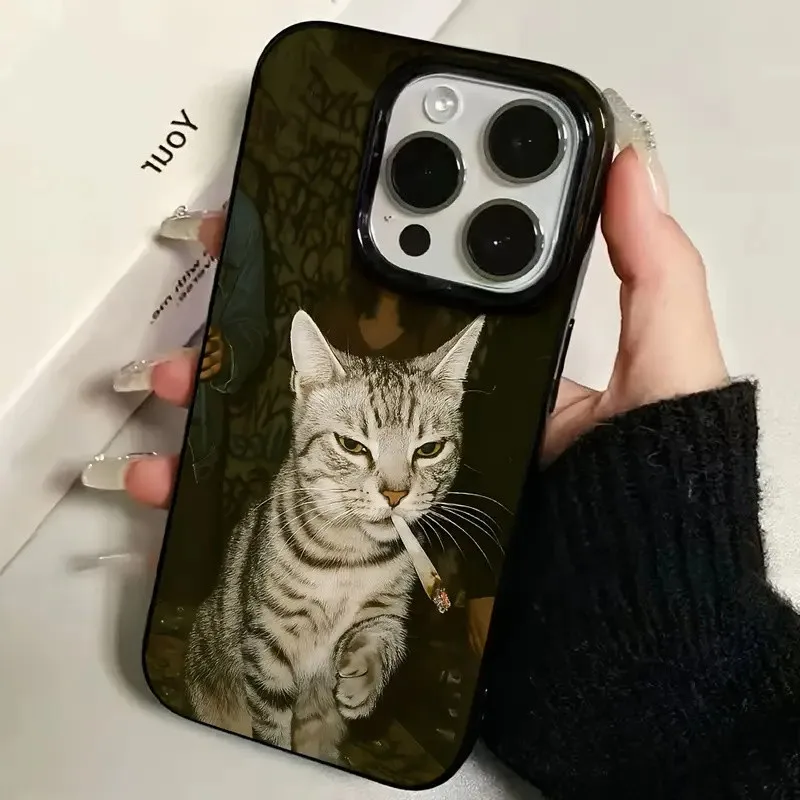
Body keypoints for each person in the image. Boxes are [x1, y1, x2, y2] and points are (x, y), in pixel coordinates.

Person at [83, 139, 800, 797]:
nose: (397, 488)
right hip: (237, 704)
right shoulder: (286, 513)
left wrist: (375, 648)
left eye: (427, 451)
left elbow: (387, 621)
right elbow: (257, 649)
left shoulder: (414, 536)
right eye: (355, 448)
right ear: (307, 395)